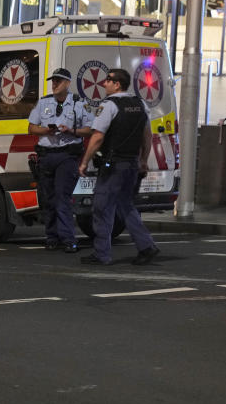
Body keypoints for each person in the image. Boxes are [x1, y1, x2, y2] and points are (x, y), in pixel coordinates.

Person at [78, 69, 160, 266]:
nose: (104, 83)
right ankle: (146, 246)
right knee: (126, 206)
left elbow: (97, 137)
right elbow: (147, 136)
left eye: (108, 80)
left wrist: (84, 161)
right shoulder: (139, 104)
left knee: (102, 208)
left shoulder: (108, 106)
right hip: (131, 163)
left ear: (117, 84)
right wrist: (143, 160)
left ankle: (102, 254)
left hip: (113, 165)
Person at [27, 68, 94, 253]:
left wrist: (71, 131)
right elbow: (31, 128)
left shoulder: (79, 104)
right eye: (53, 81)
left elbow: (89, 130)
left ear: (67, 83)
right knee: (48, 199)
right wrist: (46, 131)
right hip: (47, 155)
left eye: (59, 81)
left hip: (67, 156)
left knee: (62, 197)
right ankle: (51, 237)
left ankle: (68, 238)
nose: (54, 84)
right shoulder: (43, 102)